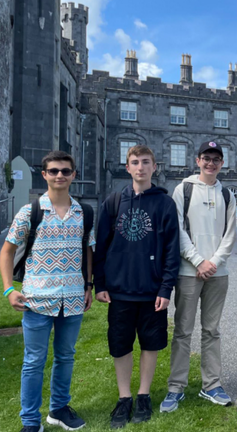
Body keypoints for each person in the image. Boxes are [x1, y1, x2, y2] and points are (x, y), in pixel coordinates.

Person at [0, 151, 95, 432]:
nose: (60, 176)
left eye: (66, 171)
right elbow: (7, 252)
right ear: (44, 175)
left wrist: (88, 286)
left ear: (73, 174)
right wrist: (8, 290)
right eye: (53, 171)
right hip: (36, 299)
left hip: (74, 297)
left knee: (66, 356)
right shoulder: (31, 212)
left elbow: (88, 252)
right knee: (33, 361)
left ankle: (59, 409)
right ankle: (30, 421)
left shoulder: (84, 213)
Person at [93, 145, 181, 428]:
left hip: (151, 290)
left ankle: (143, 394)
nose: (140, 167)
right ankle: (124, 397)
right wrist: (100, 284)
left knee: (150, 343)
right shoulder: (114, 201)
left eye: (146, 162)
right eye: (135, 162)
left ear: (154, 167)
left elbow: (171, 250)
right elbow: (101, 247)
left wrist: (166, 289)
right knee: (120, 344)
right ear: (127, 167)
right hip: (119, 289)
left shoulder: (165, 204)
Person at [160, 142, 237, 413]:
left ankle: (211, 385)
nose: (211, 163)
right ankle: (176, 387)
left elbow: (231, 234)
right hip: (188, 272)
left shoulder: (227, 194)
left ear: (221, 163)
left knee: (212, 331)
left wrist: (213, 262)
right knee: (182, 331)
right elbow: (177, 229)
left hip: (218, 273)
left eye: (216, 159)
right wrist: (197, 260)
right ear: (198, 160)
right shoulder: (184, 189)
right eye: (207, 158)